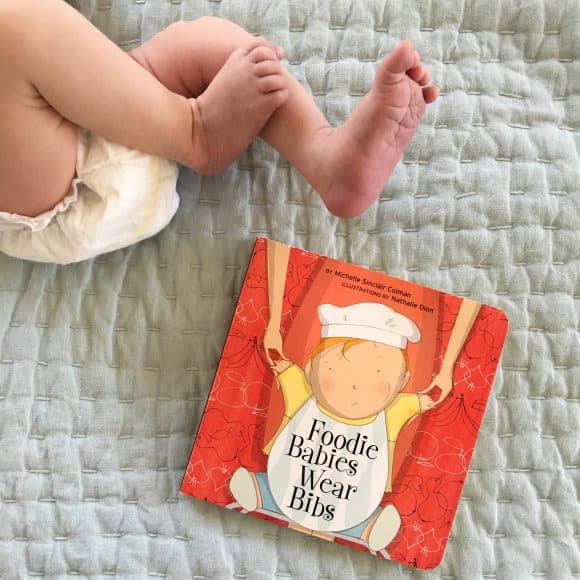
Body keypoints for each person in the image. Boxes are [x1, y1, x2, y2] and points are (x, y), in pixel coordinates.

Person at [0, 0, 438, 264]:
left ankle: (326, 157)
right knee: (15, 27)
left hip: (100, 110)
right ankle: (196, 132)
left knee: (210, 45)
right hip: (43, 192)